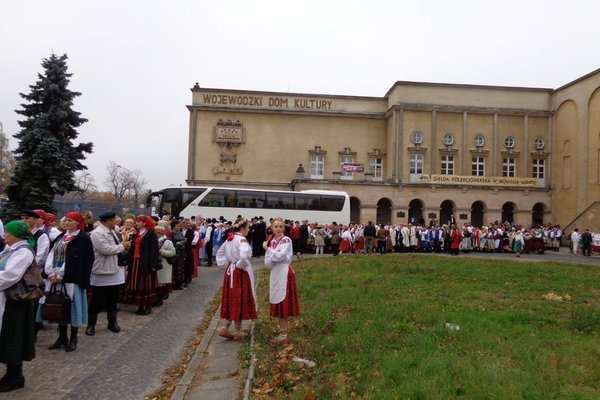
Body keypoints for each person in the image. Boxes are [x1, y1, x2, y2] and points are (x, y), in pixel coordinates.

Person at [42, 212, 94, 352]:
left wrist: (61, 274)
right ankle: (62, 336)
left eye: (70, 221)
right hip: (55, 276)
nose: (66, 223)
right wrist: (51, 272)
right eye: (65, 221)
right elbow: (51, 254)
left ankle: (73, 337)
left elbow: (77, 259)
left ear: (77, 223)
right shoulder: (61, 236)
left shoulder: (83, 239)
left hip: (72, 277)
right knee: (60, 305)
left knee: (72, 306)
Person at [0, 221, 36, 392]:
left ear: (16, 234)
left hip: (16, 302)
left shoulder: (23, 252)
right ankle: (12, 375)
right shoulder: (12, 250)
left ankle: (15, 377)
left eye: (7, 232)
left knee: (14, 337)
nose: (4, 234)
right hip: (8, 300)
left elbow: (10, 276)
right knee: (9, 335)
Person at [86, 212, 130, 336]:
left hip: (114, 270)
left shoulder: (111, 231)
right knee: (96, 300)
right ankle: (91, 324)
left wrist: (122, 246)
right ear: (109, 220)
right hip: (102, 270)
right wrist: (122, 246)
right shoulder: (97, 233)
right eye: (113, 220)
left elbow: (114, 247)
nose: (116, 223)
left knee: (112, 299)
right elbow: (105, 249)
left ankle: (112, 322)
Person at [216, 218, 256, 340]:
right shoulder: (242, 240)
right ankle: (237, 332)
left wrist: (229, 263)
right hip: (239, 273)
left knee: (232, 298)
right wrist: (239, 265)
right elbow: (244, 257)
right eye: (248, 227)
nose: (249, 229)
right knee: (239, 298)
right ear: (243, 228)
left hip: (230, 272)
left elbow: (220, 254)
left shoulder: (230, 239)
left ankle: (225, 327)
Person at [263, 217, 300, 344]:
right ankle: (282, 332)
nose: (278, 229)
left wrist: (268, 249)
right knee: (277, 299)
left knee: (282, 300)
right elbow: (268, 262)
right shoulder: (272, 240)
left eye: (280, 226)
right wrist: (270, 252)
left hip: (284, 272)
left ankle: (283, 335)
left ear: (283, 228)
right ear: (272, 228)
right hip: (275, 272)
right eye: (276, 226)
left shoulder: (286, 240)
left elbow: (281, 256)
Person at [124, 216, 159, 315]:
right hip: (135, 261)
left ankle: (148, 306)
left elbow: (154, 250)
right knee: (136, 284)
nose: (137, 223)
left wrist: (153, 264)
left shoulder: (151, 233)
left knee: (145, 285)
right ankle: (139, 305)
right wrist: (129, 262)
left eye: (139, 222)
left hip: (145, 262)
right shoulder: (135, 233)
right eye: (137, 222)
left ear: (144, 223)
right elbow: (131, 248)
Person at [155, 225, 175, 306]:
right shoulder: (154, 240)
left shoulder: (167, 241)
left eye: (158, 232)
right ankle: (156, 299)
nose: (157, 234)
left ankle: (159, 300)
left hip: (164, 264)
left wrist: (162, 252)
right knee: (156, 282)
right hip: (156, 264)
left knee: (161, 283)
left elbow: (173, 252)